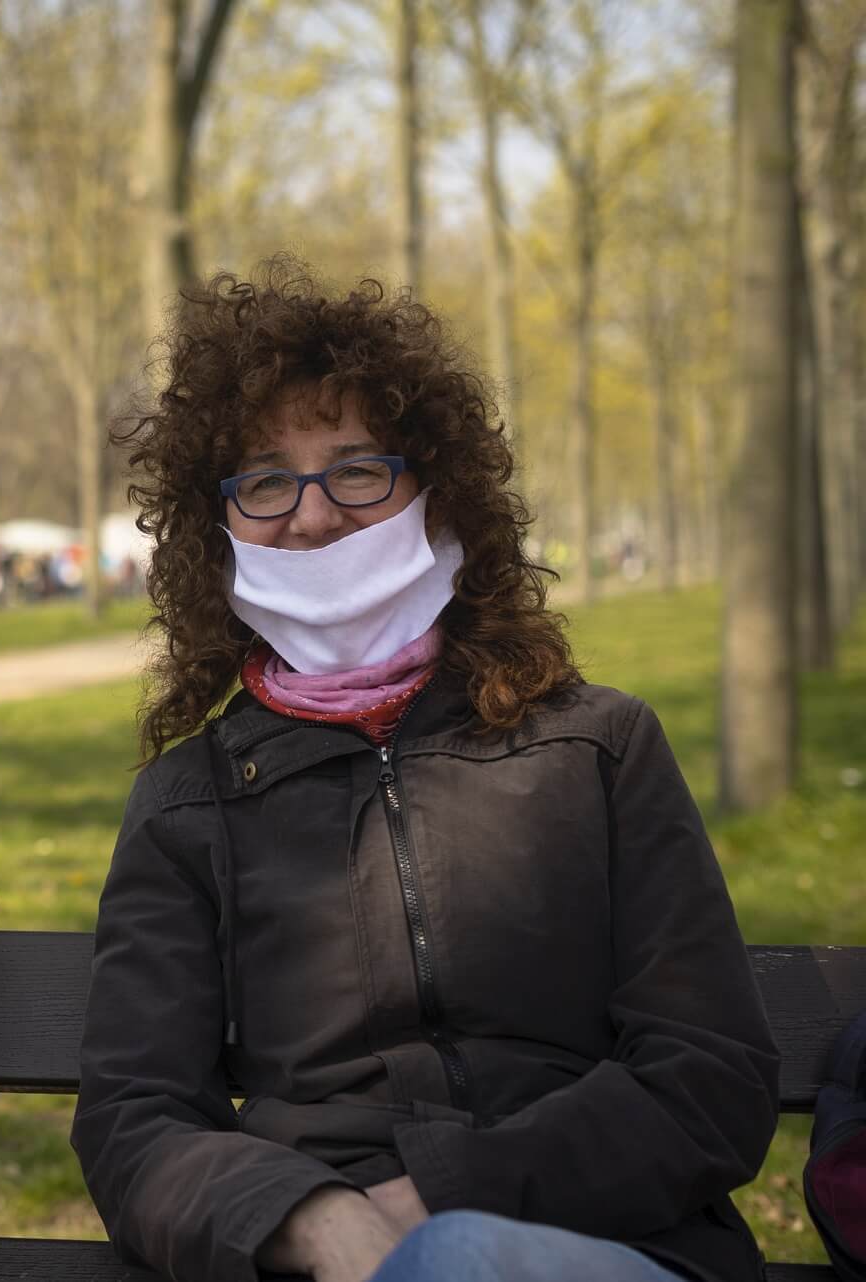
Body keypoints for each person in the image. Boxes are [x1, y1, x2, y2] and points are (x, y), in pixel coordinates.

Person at [71, 260, 778, 1282]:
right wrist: (313, 1221)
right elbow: (134, 1123)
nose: (312, 517)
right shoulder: (189, 804)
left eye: (358, 468)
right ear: (215, 529)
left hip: (608, 1245)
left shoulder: (597, 747)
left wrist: (441, 1199)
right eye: (266, 479)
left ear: (438, 498)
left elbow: (709, 1076)